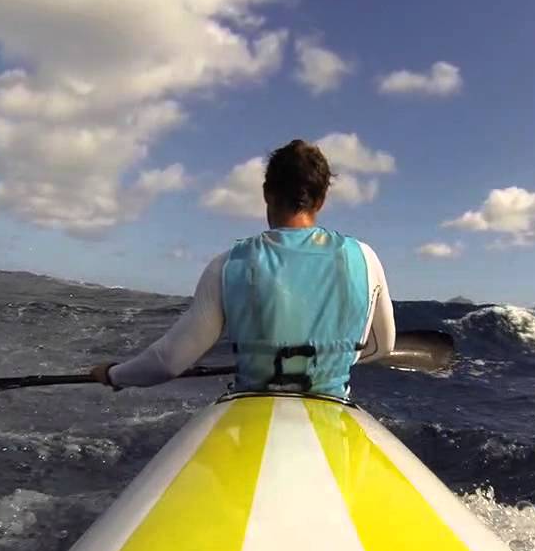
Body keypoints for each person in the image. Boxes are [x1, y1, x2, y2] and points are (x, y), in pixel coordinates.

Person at [90, 139, 394, 398]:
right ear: (322, 200)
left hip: (253, 407)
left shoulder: (227, 265)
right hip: (332, 410)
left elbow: (169, 361)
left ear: (266, 193)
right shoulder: (365, 258)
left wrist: (115, 374)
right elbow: (383, 346)